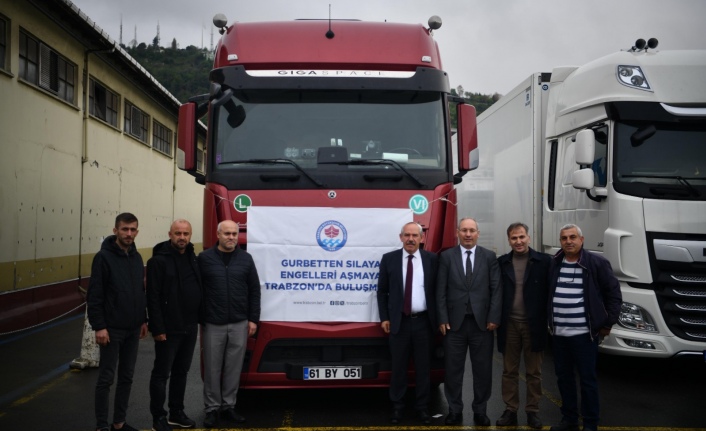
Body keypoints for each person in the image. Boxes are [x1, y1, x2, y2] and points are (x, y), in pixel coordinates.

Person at [548, 224, 622, 431]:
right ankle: (569, 420)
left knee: (587, 381)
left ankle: (590, 423)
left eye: (573, 237)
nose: (568, 241)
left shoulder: (596, 263)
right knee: (564, 380)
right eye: (564, 238)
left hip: (584, 335)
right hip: (559, 335)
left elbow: (613, 294)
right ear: (560, 242)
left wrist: (607, 323)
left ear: (582, 239)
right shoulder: (554, 263)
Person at [436, 217, 502, 426]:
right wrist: (442, 318)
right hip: (453, 326)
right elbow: (440, 290)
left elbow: (496, 289)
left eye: (472, 230)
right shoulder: (447, 257)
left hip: (482, 325)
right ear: (458, 232)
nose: (468, 234)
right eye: (464, 230)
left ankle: (480, 411)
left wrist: (493, 317)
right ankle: (454, 410)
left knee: (482, 371)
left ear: (478, 234)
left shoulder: (489, 257)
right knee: (453, 371)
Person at [87, 212, 148, 431]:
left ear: (137, 231)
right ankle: (101, 425)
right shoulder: (103, 258)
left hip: (133, 328)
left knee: (127, 377)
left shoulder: (137, 257)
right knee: (106, 378)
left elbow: (140, 291)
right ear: (115, 231)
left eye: (133, 229)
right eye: (125, 229)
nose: (129, 233)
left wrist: (143, 320)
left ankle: (119, 423)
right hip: (111, 329)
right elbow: (95, 295)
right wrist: (99, 327)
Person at [198, 220, 261, 429]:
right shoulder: (204, 259)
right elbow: (197, 289)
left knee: (234, 368)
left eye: (234, 233)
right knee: (212, 368)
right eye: (227, 233)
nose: (232, 237)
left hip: (239, 323)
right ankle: (211, 408)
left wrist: (253, 319)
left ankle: (228, 406)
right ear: (218, 234)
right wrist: (202, 317)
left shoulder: (246, 259)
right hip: (213, 323)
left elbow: (254, 290)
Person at [377, 222, 438, 425]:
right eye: (407, 235)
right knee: (398, 368)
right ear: (401, 237)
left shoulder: (432, 260)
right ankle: (398, 407)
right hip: (399, 323)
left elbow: (438, 291)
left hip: (424, 323)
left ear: (422, 238)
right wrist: (385, 317)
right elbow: (382, 292)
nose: (411, 239)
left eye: (415, 235)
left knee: (423, 368)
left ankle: (422, 408)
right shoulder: (389, 259)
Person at [146, 219, 202, 431]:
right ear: (170, 235)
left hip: (190, 326)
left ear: (190, 235)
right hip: (168, 329)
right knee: (161, 374)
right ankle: (158, 417)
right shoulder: (158, 262)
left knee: (181, 372)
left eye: (186, 233)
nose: (182, 237)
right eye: (178, 233)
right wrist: (157, 328)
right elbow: (152, 297)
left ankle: (176, 412)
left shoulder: (193, 258)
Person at [495, 222, 551, 429]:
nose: (518, 241)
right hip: (509, 324)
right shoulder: (502, 263)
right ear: (509, 240)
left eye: (521, 237)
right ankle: (510, 410)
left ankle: (532, 411)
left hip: (534, 325)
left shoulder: (544, 262)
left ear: (529, 237)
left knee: (534, 372)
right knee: (509, 370)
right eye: (514, 238)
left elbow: (550, 292)